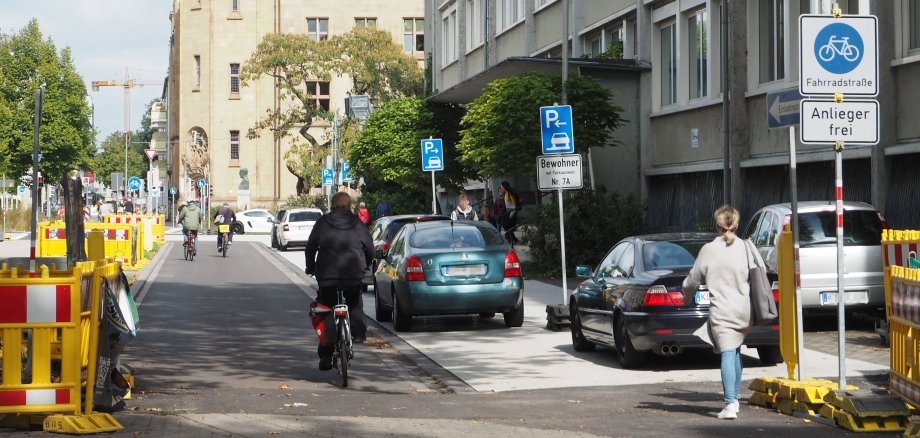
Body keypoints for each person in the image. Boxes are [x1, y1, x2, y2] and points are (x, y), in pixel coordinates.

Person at [682, 205, 764, 420]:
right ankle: (735, 397)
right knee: (735, 349)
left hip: (723, 311)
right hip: (744, 311)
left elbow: (692, 279)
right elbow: (762, 271)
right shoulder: (746, 247)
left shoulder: (709, 250)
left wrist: (686, 297)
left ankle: (730, 405)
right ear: (736, 225)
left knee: (727, 352)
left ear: (717, 226)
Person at [304, 192, 373, 371]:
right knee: (354, 303)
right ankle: (357, 334)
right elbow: (370, 247)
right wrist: (367, 265)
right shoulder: (357, 223)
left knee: (326, 308)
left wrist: (310, 267)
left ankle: (326, 352)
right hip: (353, 275)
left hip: (327, 277)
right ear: (350, 204)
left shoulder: (322, 222)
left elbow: (310, 247)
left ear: (332, 204)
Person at [497, 181, 520, 245]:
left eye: (501, 186)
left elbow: (514, 206)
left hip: (511, 212)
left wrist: (512, 214)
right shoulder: (506, 193)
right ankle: (511, 239)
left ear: (504, 186)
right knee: (505, 226)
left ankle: (512, 239)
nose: (500, 187)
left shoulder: (510, 194)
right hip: (507, 212)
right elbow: (500, 198)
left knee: (507, 226)